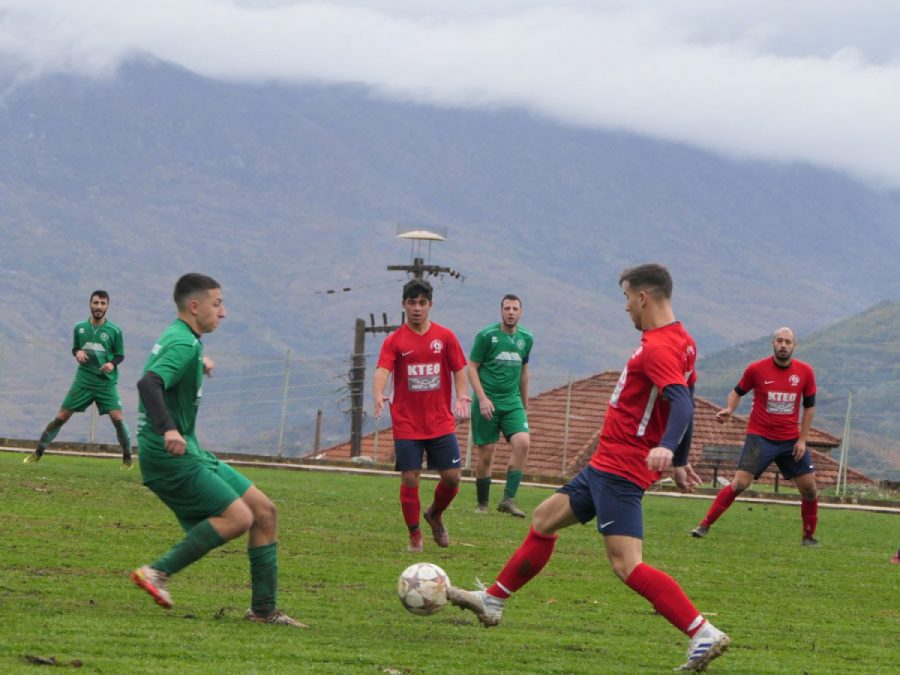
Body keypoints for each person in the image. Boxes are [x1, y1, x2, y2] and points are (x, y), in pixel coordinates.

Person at [448, 263, 730, 672]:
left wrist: (669, 448)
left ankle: (702, 631)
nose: (626, 307)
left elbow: (683, 403)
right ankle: (493, 600)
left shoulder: (659, 348)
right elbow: (687, 392)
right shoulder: (682, 340)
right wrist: (681, 460)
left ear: (643, 298)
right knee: (543, 520)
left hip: (622, 467)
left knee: (627, 564)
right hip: (605, 464)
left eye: (627, 298)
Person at [130, 273, 305, 627]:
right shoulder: (183, 344)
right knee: (238, 517)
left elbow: (167, 368)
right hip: (169, 456)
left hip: (191, 451)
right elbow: (148, 383)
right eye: (217, 304)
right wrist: (169, 429)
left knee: (264, 511)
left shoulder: (183, 339)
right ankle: (157, 572)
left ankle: (263, 612)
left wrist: (198, 363)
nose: (222, 312)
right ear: (195, 307)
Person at [691, 327, 820, 546]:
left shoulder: (805, 372)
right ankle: (704, 525)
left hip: (790, 440)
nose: (783, 345)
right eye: (779, 341)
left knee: (810, 489)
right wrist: (730, 409)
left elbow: (809, 408)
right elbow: (737, 392)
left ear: (794, 346)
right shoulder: (756, 369)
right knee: (740, 483)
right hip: (760, 437)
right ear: (773, 343)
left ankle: (808, 538)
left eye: (788, 342)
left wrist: (802, 440)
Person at [373, 278, 471, 553]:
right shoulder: (395, 341)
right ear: (404, 304)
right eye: (412, 302)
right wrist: (378, 393)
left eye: (422, 303)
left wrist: (461, 395)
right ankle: (415, 534)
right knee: (410, 478)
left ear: (430, 305)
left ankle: (435, 514)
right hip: (407, 422)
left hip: (440, 421)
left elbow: (459, 369)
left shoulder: (445, 337)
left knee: (452, 478)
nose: (417, 308)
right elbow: (382, 370)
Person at [25, 290, 133, 468]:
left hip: (105, 382)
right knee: (62, 416)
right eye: (96, 303)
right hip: (83, 380)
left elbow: (120, 355)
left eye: (102, 303)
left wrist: (111, 364)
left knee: (117, 418)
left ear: (107, 306)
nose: (99, 307)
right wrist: (78, 353)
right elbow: (75, 348)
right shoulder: (80, 327)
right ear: (90, 304)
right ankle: (37, 453)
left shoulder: (114, 330)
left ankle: (127, 459)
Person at [468, 294, 534, 517]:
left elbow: (524, 372)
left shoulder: (527, 338)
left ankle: (508, 499)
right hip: (487, 401)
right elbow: (471, 367)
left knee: (523, 442)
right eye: (507, 308)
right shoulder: (487, 336)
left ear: (521, 312)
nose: (511, 312)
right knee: (486, 454)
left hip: (512, 402)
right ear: (501, 311)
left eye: (515, 308)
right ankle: (482, 504)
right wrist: (482, 398)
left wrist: (524, 406)